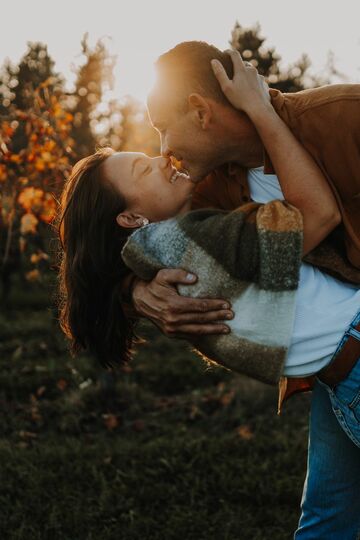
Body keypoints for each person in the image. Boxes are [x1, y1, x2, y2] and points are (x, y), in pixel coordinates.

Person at [57, 54, 360, 537]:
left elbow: (315, 216)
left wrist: (262, 111)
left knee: (324, 525)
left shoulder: (341, 118)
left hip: (346, 362)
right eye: (144, 166)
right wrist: (135, 292)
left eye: (161, 129)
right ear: (132, 220)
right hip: (343, 371)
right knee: (326, 523)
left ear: (201, 113)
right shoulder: (191, 224)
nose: (162, 152)